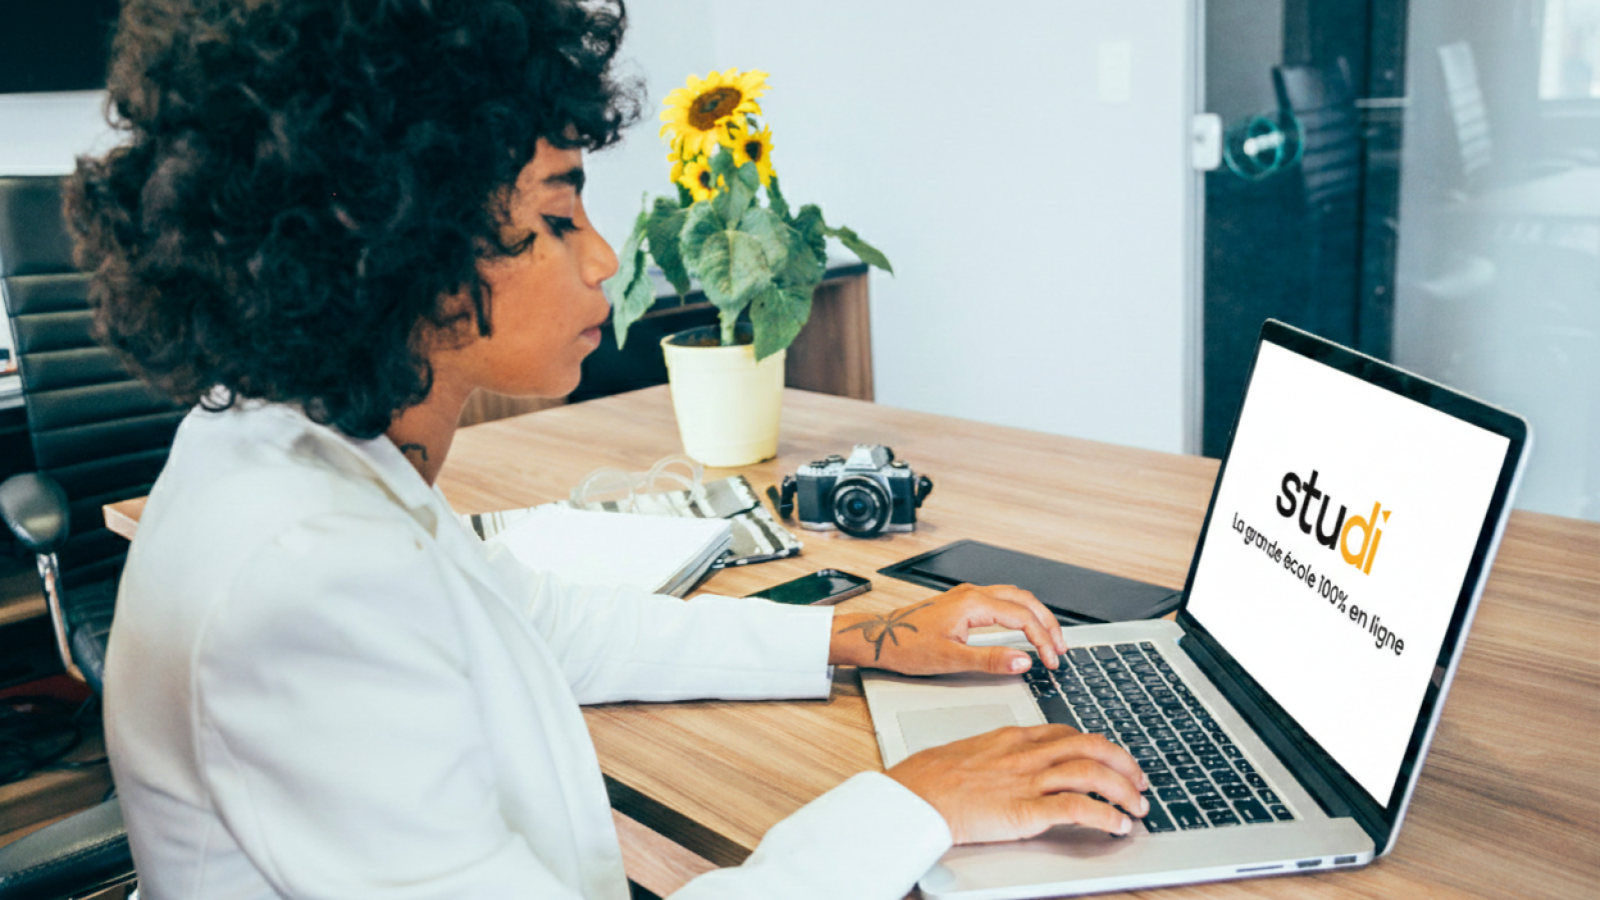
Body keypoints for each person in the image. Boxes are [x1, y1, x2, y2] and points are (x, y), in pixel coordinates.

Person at [70, 1, 1149, 897]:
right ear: (405, 245)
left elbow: (541, 626)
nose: (600, 259)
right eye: (553, 219)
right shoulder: (302, 580)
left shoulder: (302, 450)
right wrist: (913, 803)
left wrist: (859, 639)